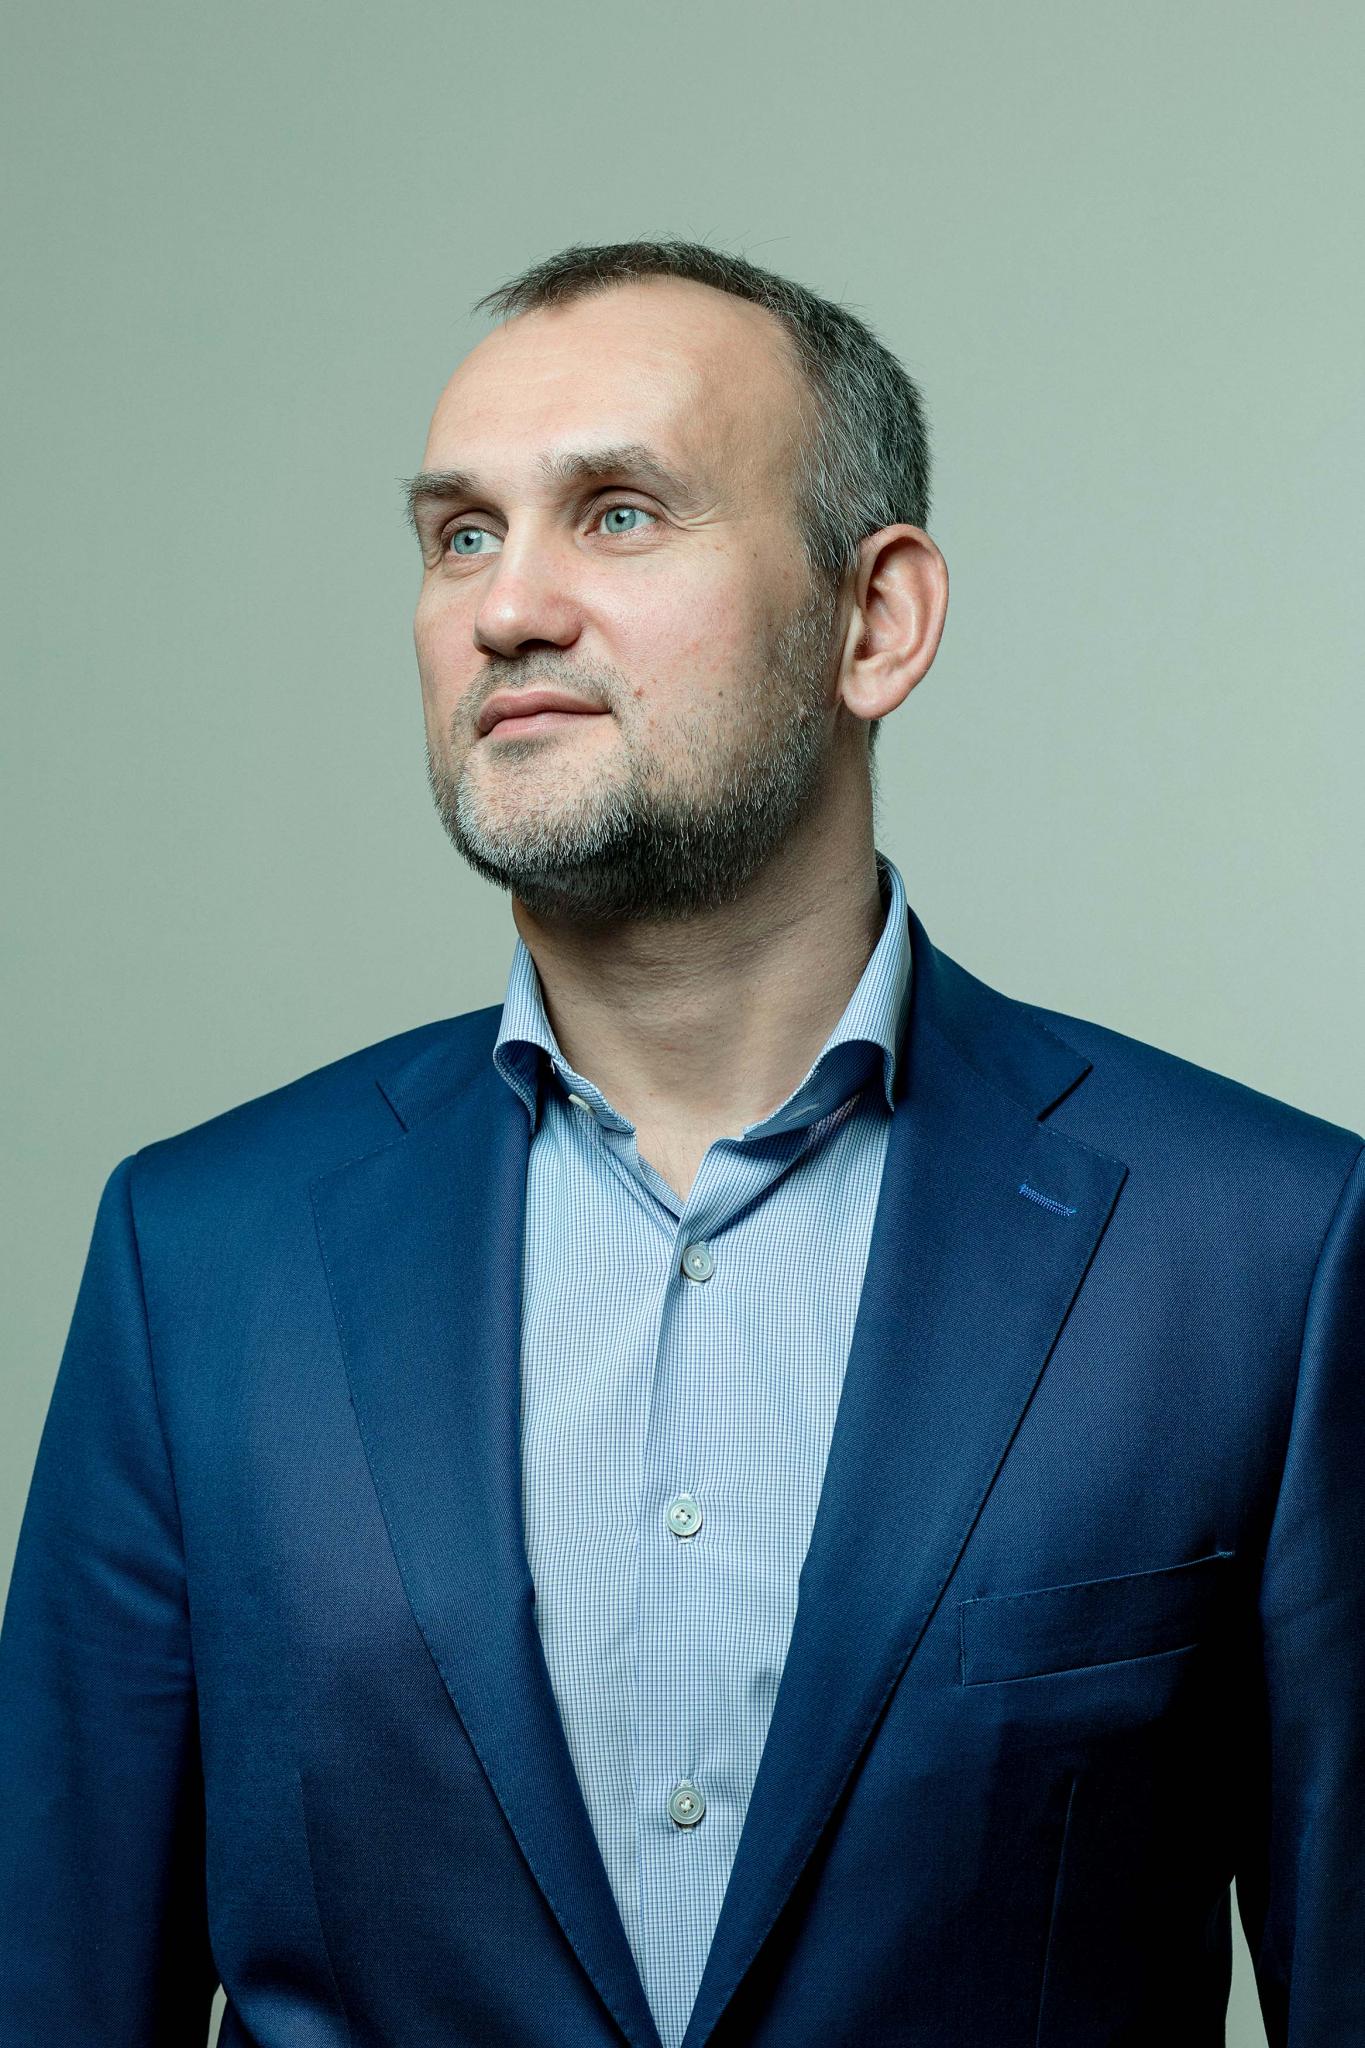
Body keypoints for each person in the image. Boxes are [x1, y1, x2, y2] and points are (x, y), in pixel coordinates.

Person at [1, 238, 1360, 2048]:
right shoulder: (199, 1256)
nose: (506, 607)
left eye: (619, 514)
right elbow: (56, 1990)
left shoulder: (1260, 1246)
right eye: (459, 534)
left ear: (873, 623)